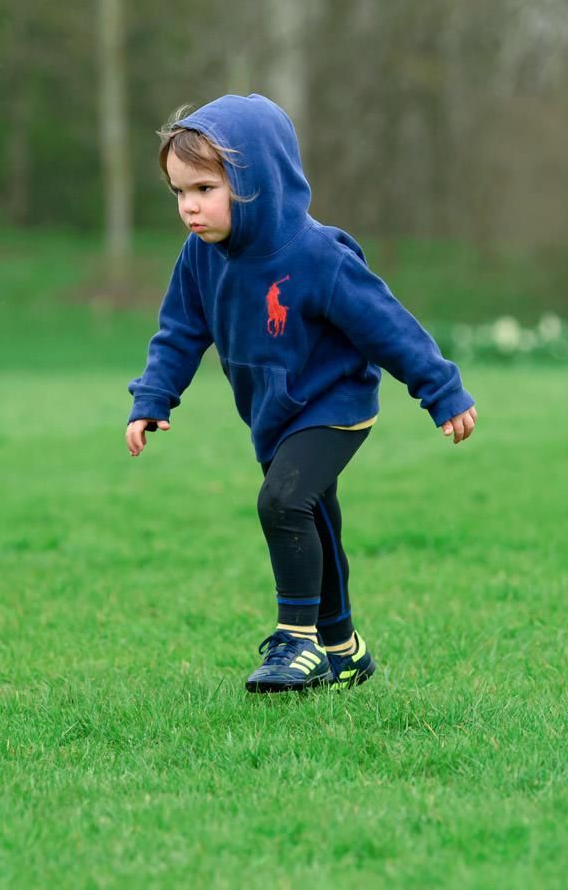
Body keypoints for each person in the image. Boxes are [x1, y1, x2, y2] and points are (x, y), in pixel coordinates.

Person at [125, 94, 477, 693]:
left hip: (334, 405)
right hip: (271, 413)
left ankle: (296, 640)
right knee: (315, 519)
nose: (189, 207)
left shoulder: (317, 256)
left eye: (205, 189)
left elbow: (387, 325)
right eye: (179, 193)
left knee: (282, 502)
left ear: (255, 180)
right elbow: (180, 331)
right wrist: (153, 397)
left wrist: (441, 390)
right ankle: (343, 648)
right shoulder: (200, 258)